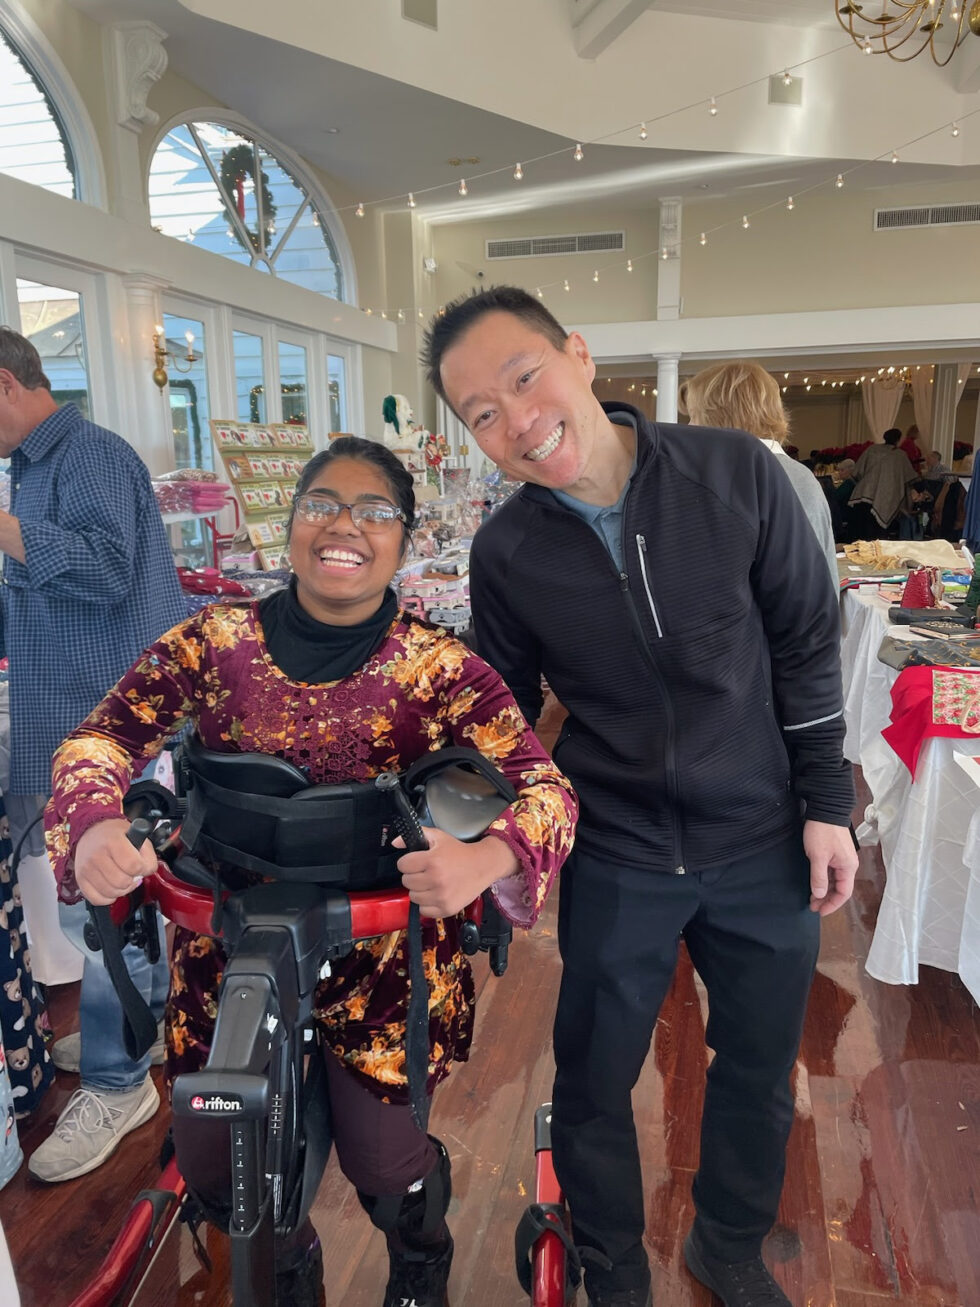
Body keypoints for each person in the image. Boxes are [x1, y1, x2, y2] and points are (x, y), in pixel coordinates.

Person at [45, 436, 578, 1307]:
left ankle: (419, 1261)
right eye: (322, 504)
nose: (344, 526)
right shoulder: (212, 641)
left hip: (387, 957)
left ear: (404, 539)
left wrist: (486, 857)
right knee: (219, 1161)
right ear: (289, 523)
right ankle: (291, 1273)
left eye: (375, 511)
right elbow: (102, 736)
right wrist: (96, 819)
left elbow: (547, 789)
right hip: (229, 943)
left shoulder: (442, 669)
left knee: (387, 1162)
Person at [424, 286, 858, 1307]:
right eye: (482, 413)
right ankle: (611, 1260)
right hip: (617, 843)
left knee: (756, 1063)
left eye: (524, 377)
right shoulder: (507, 550)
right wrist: (456, 825)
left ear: (578, 356)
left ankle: (729, 1244)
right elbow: (501, 713)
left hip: (759, 833)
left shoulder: (733, 474)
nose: (517, 419)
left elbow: (805, 643)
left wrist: (826, 803)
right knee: (591, 1074)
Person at [0, 326, 186, 1183]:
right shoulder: (34, 467)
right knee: (108, 904)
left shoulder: (92, 456)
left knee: (110, 906)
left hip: (112, 726)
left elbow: (107, 571)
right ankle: (139, 1029)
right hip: (74, 718)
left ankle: (119, 1081)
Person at [680, 361, 838, 584]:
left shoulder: (767, 476)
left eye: (694, 416)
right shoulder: (785, 473)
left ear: (721, 416)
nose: (689, 427)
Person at [847, 427, 917, 536]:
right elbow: (910, 477)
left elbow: (857, 472)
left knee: (861, 534)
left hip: (862, 496)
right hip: (884, 498)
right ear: (898, 440)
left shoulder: (872, 449)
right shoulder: (900, 455)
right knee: (876, 536)